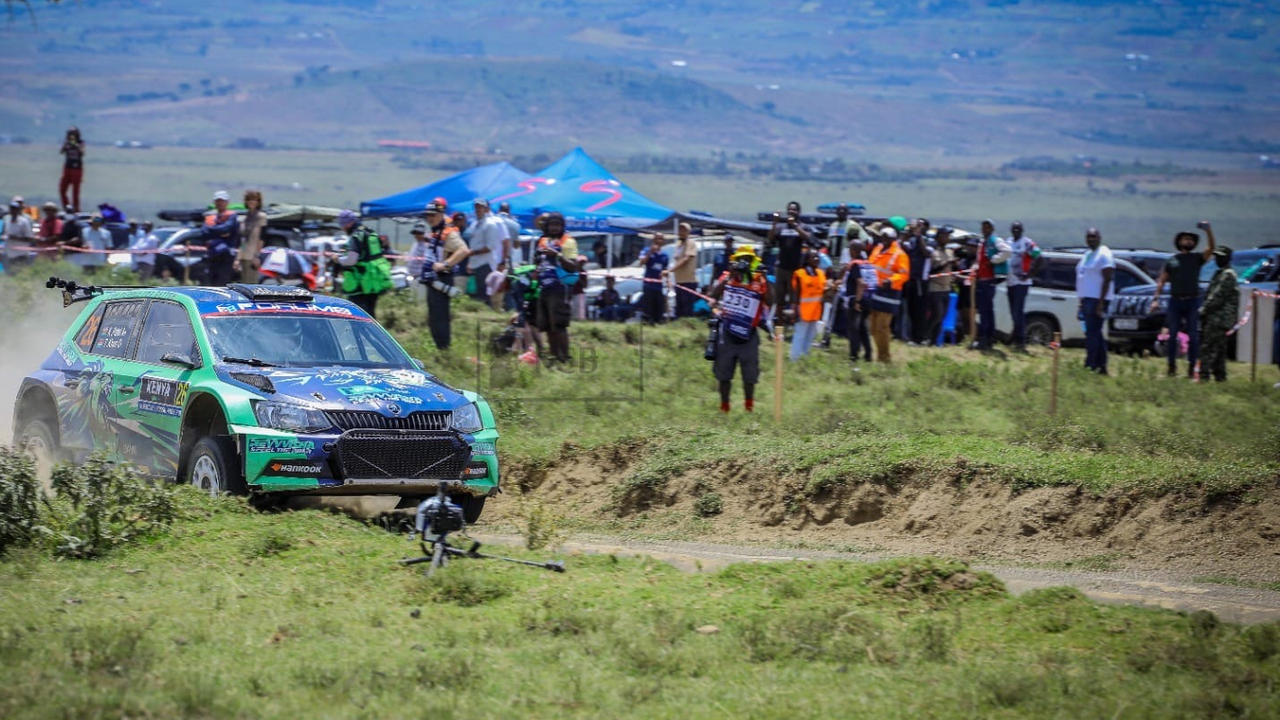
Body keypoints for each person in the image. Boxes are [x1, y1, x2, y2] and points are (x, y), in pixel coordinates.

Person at [709, 248, 775, 413]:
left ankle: (749, 408)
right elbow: (712, 296)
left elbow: (771, 301)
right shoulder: (728, 276)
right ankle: (724, 408)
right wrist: (730, 276)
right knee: (724, 374)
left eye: (748, 259)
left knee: (750, 376)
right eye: (741, 259)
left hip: (749, 334)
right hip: (727, 332)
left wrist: (765, 277)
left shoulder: (759, 279)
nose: (744, 262)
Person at [1151, 222, 1217, 378]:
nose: (1189, 241)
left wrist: (1208, 231)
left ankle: (1192, 367)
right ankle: (1171, 366)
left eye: (1191, 240)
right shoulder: (1172, 261)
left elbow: (1212, 248)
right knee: (1172, 335)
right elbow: (1162, 280)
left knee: (1193, 336)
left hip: (1192, 301)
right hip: (1175, 301)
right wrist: (1155, 299)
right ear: (1179, 242)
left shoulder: (1197, 258)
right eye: (1186, 239)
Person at [419, 203, 470, 350]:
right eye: (428, 215)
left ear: (441, 214)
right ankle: (439, 348)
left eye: (433, 215)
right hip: (433, 280)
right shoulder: (436, 231)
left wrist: (446, 264)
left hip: (442, 279)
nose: (430, 218)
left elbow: (463, 250)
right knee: (434, 318)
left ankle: (444, 350)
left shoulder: (449, 233)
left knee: (440, 318)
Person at [534, 212, 581, 365]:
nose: (554, 228)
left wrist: (558, 255)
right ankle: (554, 358)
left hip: (559, 288)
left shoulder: (568, 242)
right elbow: (538, 262)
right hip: (544, 288)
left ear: (562, 226)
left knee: (559, 325)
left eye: (557, 225)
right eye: (551, 225)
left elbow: (573, 266)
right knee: (547, 326)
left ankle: (565, 358)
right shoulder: (542, 241)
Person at [334, 209, 393, 318]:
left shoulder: (356, 237)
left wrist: (338, 259)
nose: (342, 228)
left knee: (358, 316)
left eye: (343, 224)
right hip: (374, 281)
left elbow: (351, 260)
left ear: (349, 223)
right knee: (370, 314)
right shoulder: (370, 232)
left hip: (360, 283)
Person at [866, 226, 909, 363]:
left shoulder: (899, 254)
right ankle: (879, 353)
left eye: (886, 237)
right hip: (875, 290)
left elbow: (904, 275)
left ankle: (884, 357)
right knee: (872, 326)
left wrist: (891, 281)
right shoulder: (878, 249)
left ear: (893, 239)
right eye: (882, 237)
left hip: (890, 293)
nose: (883, 239)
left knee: (882, 326)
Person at [1075, 227, 1115, 375]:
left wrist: (1101, 303)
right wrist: (1080, 301)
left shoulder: (1104, 254)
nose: (1090, 239)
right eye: (1088, 236)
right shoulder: (1088, 254)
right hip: (1087, 299)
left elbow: (1108, 278)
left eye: (1093, 236)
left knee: (1093, 333)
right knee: (1094, 333)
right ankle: (1101, 366)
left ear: (1099, 237)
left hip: (1097, 300)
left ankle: (1091, 364)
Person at [1199, 246, 1239, 383]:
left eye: (1220, 257)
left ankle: (1204, 376)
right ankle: (1220, 377)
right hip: (1217, 317)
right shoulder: (1220, 273)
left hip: (1219, 317)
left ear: (1228, 258)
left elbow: (1217, 296)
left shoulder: (1227, 275)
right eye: (1216, 257)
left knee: (1208, 347)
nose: (1217, 259)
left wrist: (1203, 310)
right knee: (1220, 349)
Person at [972, 219, 1011, 351]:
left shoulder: (995, 240)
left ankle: (985, 338)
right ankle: (987, 338)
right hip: (982, 279)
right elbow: (979, 259)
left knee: (986, 311)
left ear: (992, 229)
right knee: (985, 310)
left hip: (990, 279)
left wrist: (994, 260)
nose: (985, 229)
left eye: (987, 227)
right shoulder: (983, 242)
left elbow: (1007, 251)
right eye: (983, 227)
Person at [766, 200, 810, 316]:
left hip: (795, 269)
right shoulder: (781, 227)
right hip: (781, 268)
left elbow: (807, 237)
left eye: (794, 210)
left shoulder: (802, 226)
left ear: (799, 212)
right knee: (779, 302)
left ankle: (793, 330)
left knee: (794, 300)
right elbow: (771, 239)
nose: (791, 211)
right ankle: (779, 330)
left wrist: (795, 226)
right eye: (790, 209)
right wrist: (774, 223)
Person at [1006, 221, 1042, 352]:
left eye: (1018, 228)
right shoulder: (1008, 241)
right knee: (1013, 312)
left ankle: (1020, 341)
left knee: (1017, 312)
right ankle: (1014, 337)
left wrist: (1030, 274)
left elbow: (1039, 257)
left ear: (1022, 230)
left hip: (1021, 283)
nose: (1016, 230)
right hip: (1010, 282)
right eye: (1014, 228)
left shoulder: (1027, 243)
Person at [789, 250, 830, 360]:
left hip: (815, 310)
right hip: (803, 310)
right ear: (807, 260)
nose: (816, 259)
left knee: (810, 336)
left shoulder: (821, 273)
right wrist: (794, 309)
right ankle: (794, 358)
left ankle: (805, 357)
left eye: (817, 257)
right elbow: (796, 294)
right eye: (813, 257)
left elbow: (823, 291)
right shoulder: (800, 273)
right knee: (800, 335)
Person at [465, 198, 506, 306]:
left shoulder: (490, 224)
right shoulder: (474, 224)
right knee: (475, 294)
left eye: (480, 207)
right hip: (475, 263)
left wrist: (473, 252)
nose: (478, 209)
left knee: (484, 295)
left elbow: (491, 246)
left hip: (485, 264)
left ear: (486, 209)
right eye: (476, 207)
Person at [902, 218, 932, 345]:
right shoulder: (912, 240)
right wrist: (906, 234)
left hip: (921, 280)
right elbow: (904, 248)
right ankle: (914, 336)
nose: (918, 227)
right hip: (911, 279)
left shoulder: (930, 240)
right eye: (917, 225)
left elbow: (927, 253)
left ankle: (921, 337)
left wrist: (919, 237)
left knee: (920, 309)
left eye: (921, 225)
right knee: (911, 309)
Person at [201, 190, 240, 286]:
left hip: (226, 254)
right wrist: (219, 232)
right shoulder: (210, 216)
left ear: (227, 202)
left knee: (222, 282)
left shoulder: (232, 216)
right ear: (214, 202)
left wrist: (213, 230)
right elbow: (204, 232)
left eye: (222, 201)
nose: (220, 203)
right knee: (210, 281)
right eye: (218, 201)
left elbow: (226, 228)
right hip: (212, 254)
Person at [843, 243, 874, 362]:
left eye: (850, 249)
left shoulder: (855, 265)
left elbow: (860, 283)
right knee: (862, 328)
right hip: (868, 299)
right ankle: (868, 354)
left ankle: (853, 356)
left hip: (857, 299)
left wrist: (857, 301)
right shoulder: (867, 264)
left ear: (855, 250)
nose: (849, 251)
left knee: (853, 329)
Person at [927, 226, 957, 346]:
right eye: (945, 236)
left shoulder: (950, 252)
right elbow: (931, 271)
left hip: (946, 288)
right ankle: (925, 335)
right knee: (937, 315)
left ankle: (934, 342)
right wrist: (946, 264)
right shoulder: (933, 252)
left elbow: (953, 269)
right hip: (935, 288)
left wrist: (955, 264)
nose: (947, 238)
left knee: (942, 317)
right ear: (939, 237)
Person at [663, 222, 699, 319]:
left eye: (684, 230)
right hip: (679, 281)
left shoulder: (690, 243)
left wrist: (670, 271)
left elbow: (685, 259)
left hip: (689, 281)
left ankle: (688, 329)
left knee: (687, 309)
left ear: (688, 232)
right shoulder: (678, 245)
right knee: (679, 308)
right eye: (680, 230)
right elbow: (676, 261)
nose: (681, 232)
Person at [235, 190, 268, 284]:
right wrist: (238, 258)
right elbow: (243, 240)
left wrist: (257, 256)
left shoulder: (261, 217)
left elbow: (261, 238)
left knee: (251, 284)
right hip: (244, 255)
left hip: (253, 256)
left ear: (258, 202)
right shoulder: (245, 218)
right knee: (243, 283)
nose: (251, 202)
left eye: (254, 199)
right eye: (249, 199)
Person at [638, 233, 669, 325]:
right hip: (648, 285)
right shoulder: (646, 250)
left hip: (659, 286)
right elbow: (641, 262)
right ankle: (648, 322)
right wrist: (650, 252)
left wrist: (668, 282)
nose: (658, 241)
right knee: (648, 309)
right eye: (657, 239)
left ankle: (657, 322)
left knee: (658, 309)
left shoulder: (665, 256)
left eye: (660, 239)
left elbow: (665, 270)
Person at [2, 197, 34, 270]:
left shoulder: (24, 221)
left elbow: (30, 238)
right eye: (12, 208)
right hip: (9, 254)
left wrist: (15, 237)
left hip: (21, 254)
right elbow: (4, 233)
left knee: (21, 275)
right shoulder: (7, 220)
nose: (13, 210)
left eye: (15, 208)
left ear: (18, 209)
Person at [59, 127, 85, 212]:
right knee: (62, 189)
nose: (71, 136)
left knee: (75, 191)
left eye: (73, 134)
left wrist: (75, 145)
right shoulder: (67, 143)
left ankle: (76, 209)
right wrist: (67, 145)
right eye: (70, 134)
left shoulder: (81, 143)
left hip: (77, 168)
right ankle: (67, 208)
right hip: (67, 168)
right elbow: (61, 152)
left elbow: (82, 153)